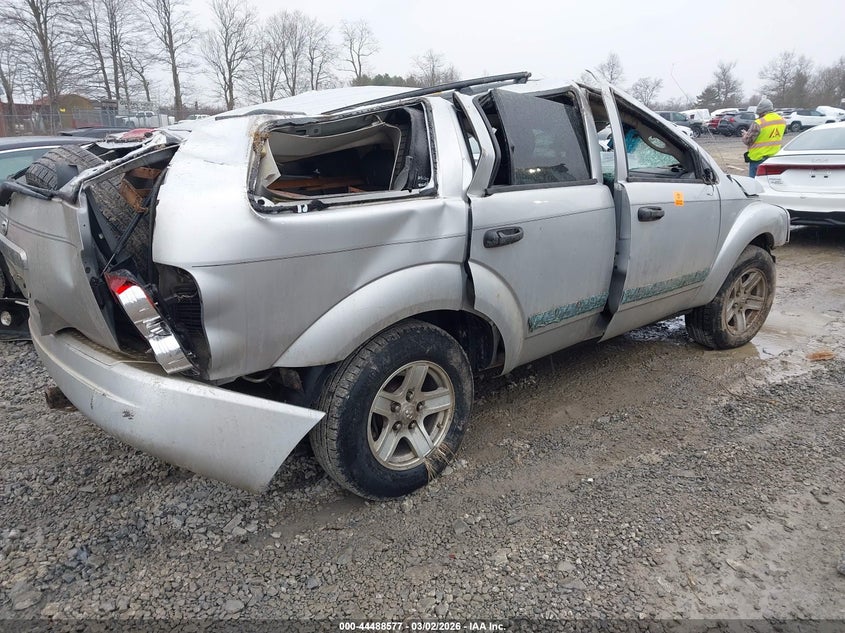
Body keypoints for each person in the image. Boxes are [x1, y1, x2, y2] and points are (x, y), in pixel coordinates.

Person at [742, 98, 786, 177]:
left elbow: (747, 140)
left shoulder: (759, 122)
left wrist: (745, 135)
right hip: (773, 158)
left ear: (761, 112)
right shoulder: (782, 120)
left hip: (757, 159)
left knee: (755, 185)